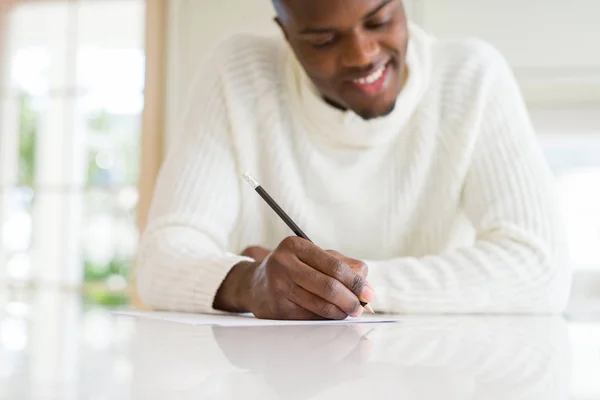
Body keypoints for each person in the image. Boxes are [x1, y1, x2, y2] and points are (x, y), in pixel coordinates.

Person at [136, 0, 571, 319]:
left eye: (379, 20)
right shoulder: (237, 74)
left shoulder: (472, 77)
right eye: (323, 39)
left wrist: (343, 287)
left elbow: (541, 270)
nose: (362, 55)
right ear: (286, 35)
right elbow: (159, 260)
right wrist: (249, 283)